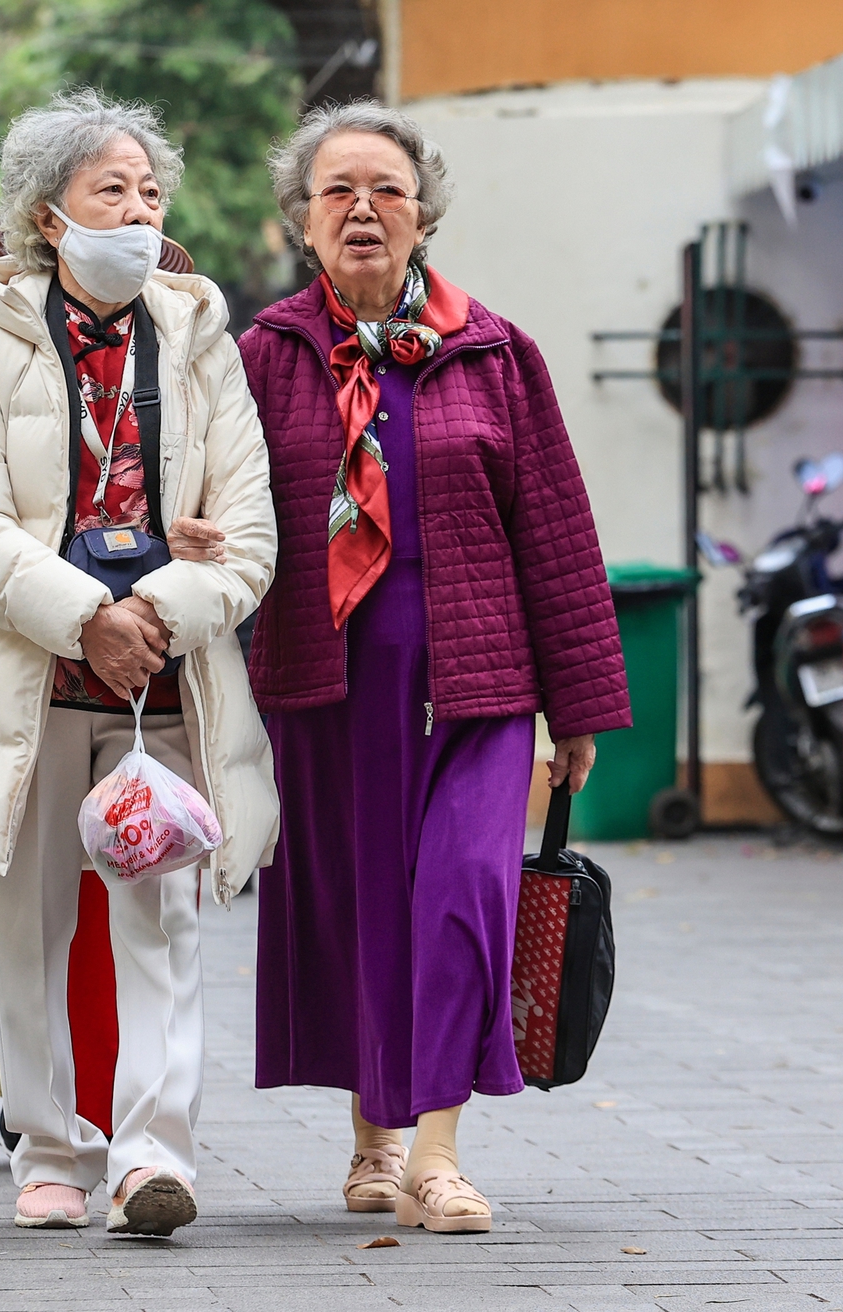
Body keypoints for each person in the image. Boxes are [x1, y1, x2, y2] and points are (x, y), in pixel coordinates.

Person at [240, 103, 632, 1235]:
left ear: (423, 213)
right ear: (302, 221)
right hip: (324, 670)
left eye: (387, 189)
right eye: (336, 191)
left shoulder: (496, 352)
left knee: (461, 895)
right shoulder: (265, 356)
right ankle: (368, 1132)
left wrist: (580, 706)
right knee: (356, 900)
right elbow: (216, 502)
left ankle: (435, 1151)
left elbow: (556, 532)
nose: (362, 208)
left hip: (479, 672)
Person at [0, 89, 277, 1236]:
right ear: (47, 217)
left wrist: (152, 610)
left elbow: (247, 529)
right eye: (111, 189)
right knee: (25, 925)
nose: (139, 210)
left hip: (164, 679)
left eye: (151, 191)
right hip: (28, 682)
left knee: (161, 918)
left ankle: (152, 1157)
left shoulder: (200, 335)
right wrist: (83, 617)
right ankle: (50, 1147)